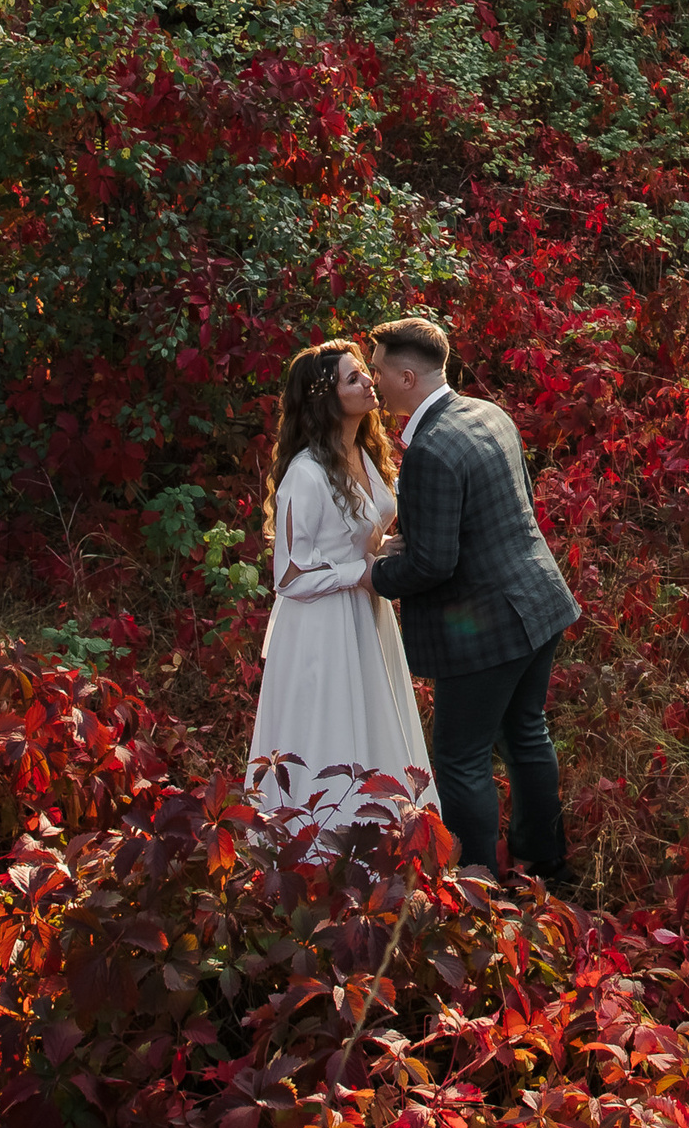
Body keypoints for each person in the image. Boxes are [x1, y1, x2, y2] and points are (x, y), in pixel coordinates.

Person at [363, 316, 580, 882]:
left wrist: (373, 574)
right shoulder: (490, 413)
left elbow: (435, 564)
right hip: (540, 601)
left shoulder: (431, 450)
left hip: (486, 629)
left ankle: (477, 886)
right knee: (527, 733)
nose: (373, 378)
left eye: (380, 368)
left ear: (407, 376)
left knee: (461, 761)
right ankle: (545, 861)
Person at [247, 338, 439, 837]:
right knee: (330, 726)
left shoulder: (365, 453)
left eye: (365, 373)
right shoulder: (305, 475)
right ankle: (321, 844)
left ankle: (387, 837)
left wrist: (390, 553)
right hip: (323, 623)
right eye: (354, 378)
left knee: (375, 719)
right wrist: (365, 572)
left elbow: (366, 532)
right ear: (325, 398)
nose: (370, 382)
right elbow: (289, 575)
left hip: (366, 614)